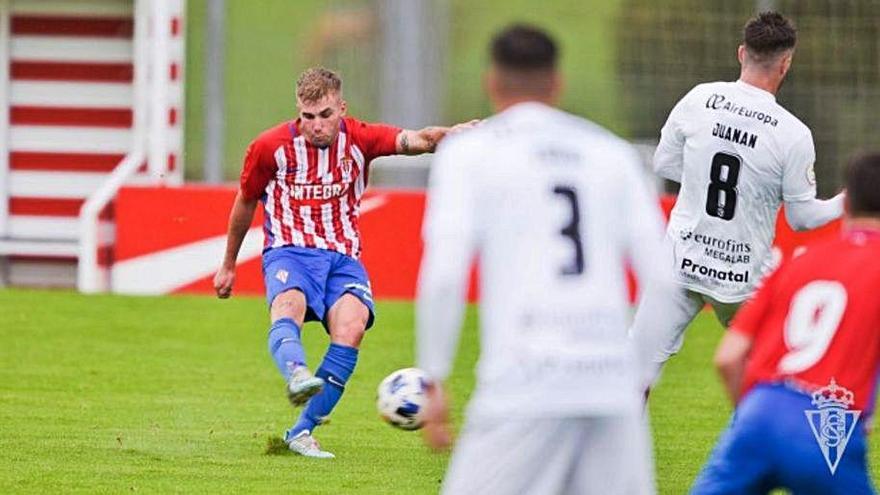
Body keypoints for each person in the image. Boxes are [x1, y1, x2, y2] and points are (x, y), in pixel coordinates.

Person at [415, 24, 673, 494]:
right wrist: (635, 374)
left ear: (491, 82)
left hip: (524, 382)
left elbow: (444, 277)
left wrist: (433, 376)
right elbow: (665, 279)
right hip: (609, 388)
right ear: (557, 83)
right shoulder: (612, 154)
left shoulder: (469, 153)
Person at [213, 67, 473, 458]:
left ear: (342, 109)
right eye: (308, 117)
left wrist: (453, 136)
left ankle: (301, 432)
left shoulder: (362, 138)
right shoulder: (270, 147)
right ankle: (298, 373)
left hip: (342, 257)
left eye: (326, 115)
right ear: (298, 112)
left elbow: (417, 139)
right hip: (289, 249)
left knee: (351, 330)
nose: (317, 126)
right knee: (289, 305)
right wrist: (229, 263)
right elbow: (246, 200)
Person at [631, 11, 845, 387]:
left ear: (742, 53)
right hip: (742, 278)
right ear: (786, 62)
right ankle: (760, 443)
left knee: (636, 367)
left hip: (681, 262)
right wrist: (850, 199)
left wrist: (699, 179)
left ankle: (620, 449)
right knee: (770, 373)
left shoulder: (700, 98)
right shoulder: (792, 133)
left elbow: (665, 162)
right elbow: (802, 219)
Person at [692, 152, 880, 494]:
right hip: (828, 420)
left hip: (760, 411)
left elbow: (728, 358)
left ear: (847, 201)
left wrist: (761, 419)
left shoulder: (797, 262)